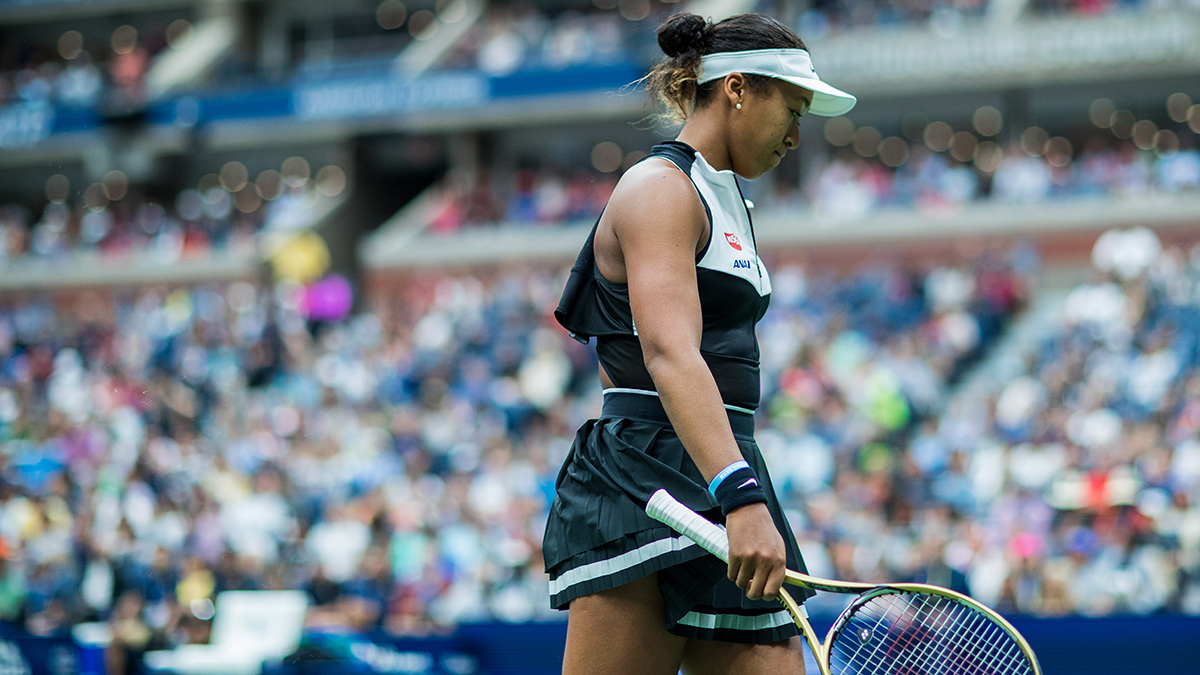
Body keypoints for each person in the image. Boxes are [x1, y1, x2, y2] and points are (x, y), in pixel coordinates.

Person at [543, 12, 856, 675]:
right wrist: (739, 497)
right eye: (793, 110)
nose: (797, 136)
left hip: (725, 462)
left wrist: (741, 487)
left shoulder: (729, 196)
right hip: (646, 477)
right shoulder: (659, 189)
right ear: (738, 88)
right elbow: (669, 353)